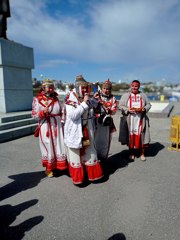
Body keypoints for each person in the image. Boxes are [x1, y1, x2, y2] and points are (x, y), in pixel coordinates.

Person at [64, 75, 104, 185]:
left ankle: (91, 174)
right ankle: (79, 178)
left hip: (88, 129)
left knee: (89, 151)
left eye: (87, 88)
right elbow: (73, 115)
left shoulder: (86, 98)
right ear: (77, 88)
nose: (86, 90)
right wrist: (84, 104)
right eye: (83, 88)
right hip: (75, 131)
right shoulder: (69, 100)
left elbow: (95, 106)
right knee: (76, 153)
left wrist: (96, 99)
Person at [32, 79, 68, 177]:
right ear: (43, 88)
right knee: (48, 146)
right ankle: (49, 168)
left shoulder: (57, 99)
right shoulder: (37, 99)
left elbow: (62, 111)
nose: (51, 89)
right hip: (45, 126)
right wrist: (43, 112)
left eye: (52, 86)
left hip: (57, 126)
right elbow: (34, 116)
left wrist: (63, 119)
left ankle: (60, 166)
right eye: (49, 87)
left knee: (59, 145)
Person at [119, 80, 151, 161]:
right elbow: (120, 106)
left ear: (139, 87)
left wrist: (143, 109)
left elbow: (148, 104)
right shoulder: (126, 95)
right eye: (133, 85)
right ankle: (131, 153)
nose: (134, 87)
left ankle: (142, 153)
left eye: (136, 86)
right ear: (131, 86)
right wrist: (128, 109)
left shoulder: (143, 95)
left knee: (142, 136)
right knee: (130, 136)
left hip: (141, 119)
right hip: (130, 119)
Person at [94, 79, 118, 162]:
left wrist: (109, 110)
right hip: (96, 121)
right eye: (104, 88)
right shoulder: (96, 96)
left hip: (106, 122)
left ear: (110, 89)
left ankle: (103, 157)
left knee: (105, 140)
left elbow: (114, 110)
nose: (105, 90)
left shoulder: (113, 98)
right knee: (95, 139)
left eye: (107, 89)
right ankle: (95, 157)